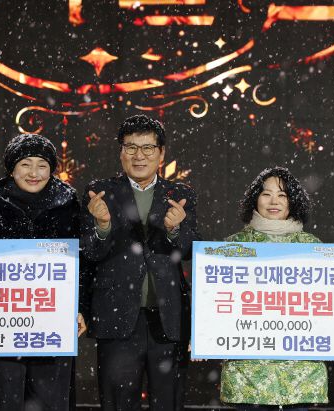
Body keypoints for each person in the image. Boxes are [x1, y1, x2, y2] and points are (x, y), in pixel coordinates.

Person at [81, 114, 200, 411]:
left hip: (168, 318)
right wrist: (103, 226)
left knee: (169, 403)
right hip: (116, 317)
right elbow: (90, 253)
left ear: (161, 152)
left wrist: (175, 231)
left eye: (147, 148)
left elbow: (190, 250)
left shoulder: (180, 195)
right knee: (117, 404)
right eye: (131, 147)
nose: (139, 156)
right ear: (121, 152)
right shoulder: (100, 193)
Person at [0, 133, 86, 410]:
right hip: (1, 325)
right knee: (1, 399)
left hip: (52, 323)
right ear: (12, 168)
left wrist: (81, 307)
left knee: (50, 401)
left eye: (42, 165)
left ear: (51, 169)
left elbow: (83, 261)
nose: (34, 173)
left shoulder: (68, 206)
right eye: (25, 164)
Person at [219, 166, 328, 411]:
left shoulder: (314, 248)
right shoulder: (232, 247)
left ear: (293, 201)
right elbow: (214, 301)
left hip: (301, 375)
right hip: (247, 375)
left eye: (282, 195)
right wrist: (203, 335)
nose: (274, 201)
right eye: (266, 194)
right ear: (254, 199)